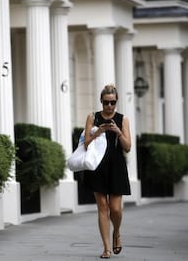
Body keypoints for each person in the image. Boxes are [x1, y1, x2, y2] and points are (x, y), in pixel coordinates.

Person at [83, 84, 131, 259]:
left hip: (116, 166)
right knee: (103, 207)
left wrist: (118, 132)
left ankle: (116, 232)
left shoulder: (123, 119)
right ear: (101, 101)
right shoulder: (92, 117)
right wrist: (98, 132)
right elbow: (86, 143)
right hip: (97, 166)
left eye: (112, 103)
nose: (109, 106)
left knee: (115, 209)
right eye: (106, 103)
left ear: (116, 101)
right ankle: (106, 248)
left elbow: (128, 147)